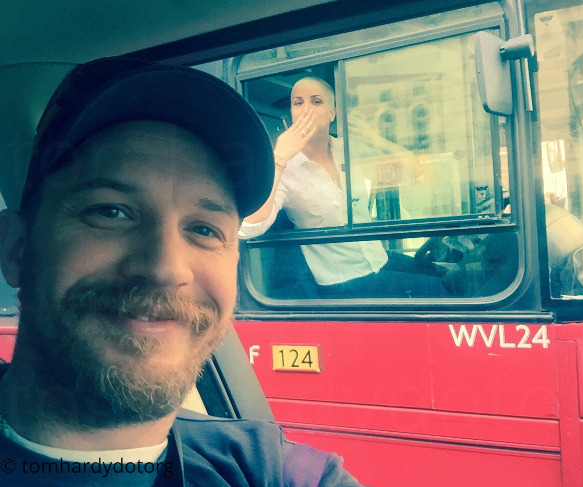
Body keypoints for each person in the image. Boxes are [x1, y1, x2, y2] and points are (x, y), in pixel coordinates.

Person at [0, 58, 362, 486]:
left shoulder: (280, 473)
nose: (165, 269)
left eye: (205, 230)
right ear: (16, 249)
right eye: (110, 211)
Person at [240, 76, 449, 298]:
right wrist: (279, 157)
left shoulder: (349, 150)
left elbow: (418, 171)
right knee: (439, 291)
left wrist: (376, 140)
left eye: (316, 101)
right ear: (291, 113)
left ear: (332, 113)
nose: (306, 109)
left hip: (380, 261)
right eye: (298, 103)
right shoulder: (285, 168)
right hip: (342, 284)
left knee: (445, 279)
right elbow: (248, 228)